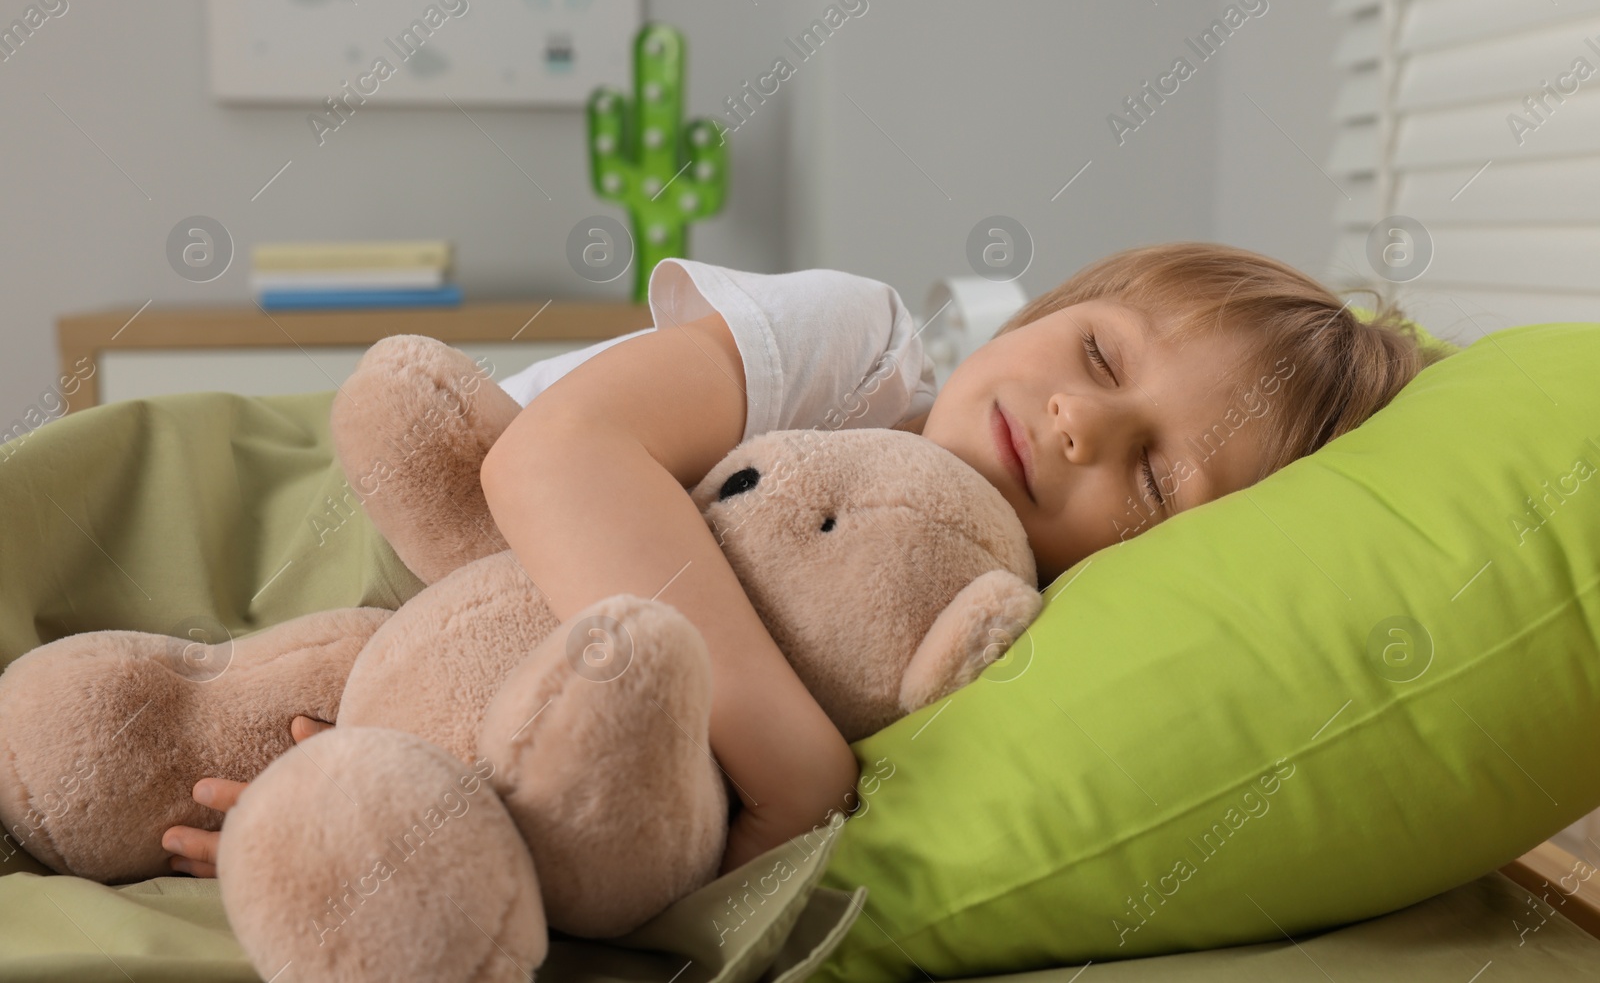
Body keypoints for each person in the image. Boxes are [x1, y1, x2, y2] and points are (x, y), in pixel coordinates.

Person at [161, 242, 1451, 878]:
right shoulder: (857, 345)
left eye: (1157, 476)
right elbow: (550, 466)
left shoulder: (971, 637)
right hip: (323, 517)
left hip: (406, 683)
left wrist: (382, 828)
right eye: (1103, 356)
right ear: (1057, 309)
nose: (1079, 420)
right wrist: (795, 766)